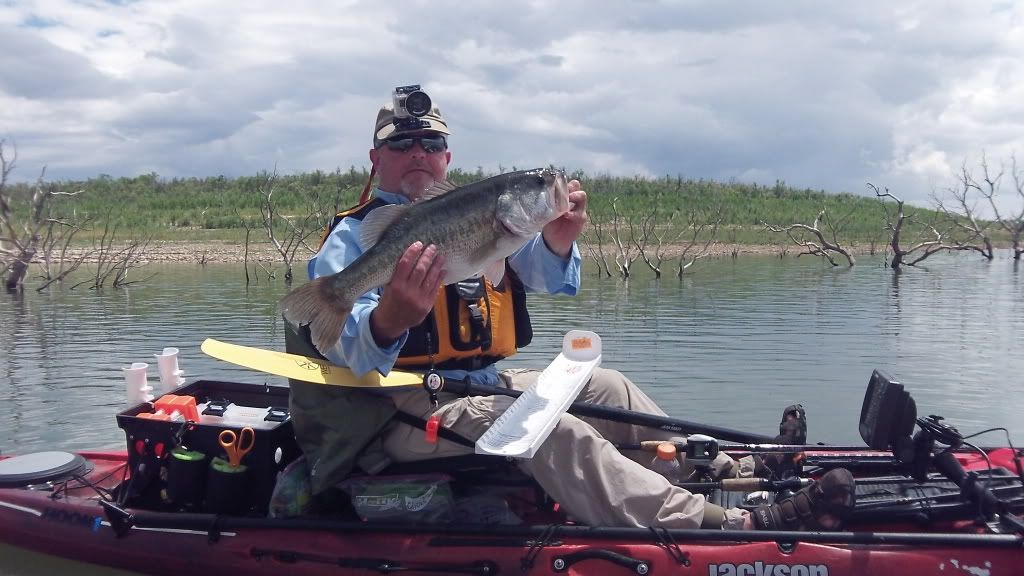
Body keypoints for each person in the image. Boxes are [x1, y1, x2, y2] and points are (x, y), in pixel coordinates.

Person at [285, 91, 855, 531]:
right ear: (376, 158)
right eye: (402, 144)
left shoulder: (484, 215)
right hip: (396, 412)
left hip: (474, 384)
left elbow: (547, 278)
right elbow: (349, 353)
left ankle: (732, 472)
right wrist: (392, 317)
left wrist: (558, 239)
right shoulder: (355, 237)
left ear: (447, 157)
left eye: (431, 144)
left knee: (608, 387)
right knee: (542, 425)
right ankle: (722, 524)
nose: (418, 154)